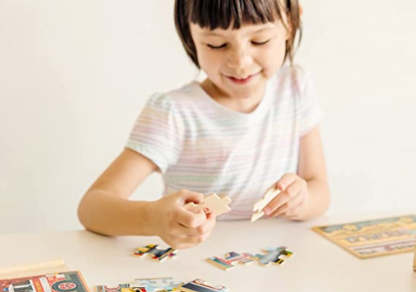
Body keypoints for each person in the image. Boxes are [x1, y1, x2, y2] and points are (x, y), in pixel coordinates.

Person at [78, 0, 330, 249]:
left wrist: (302, 201)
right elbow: (92, 207)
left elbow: (319, 189)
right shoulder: (173, 112)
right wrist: (154, 218)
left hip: (276, 259)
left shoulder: (295, 88)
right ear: (189, 35)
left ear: (291, 22)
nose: (240, 62)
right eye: (216, 44)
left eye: (259, 40)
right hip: (195, 266)